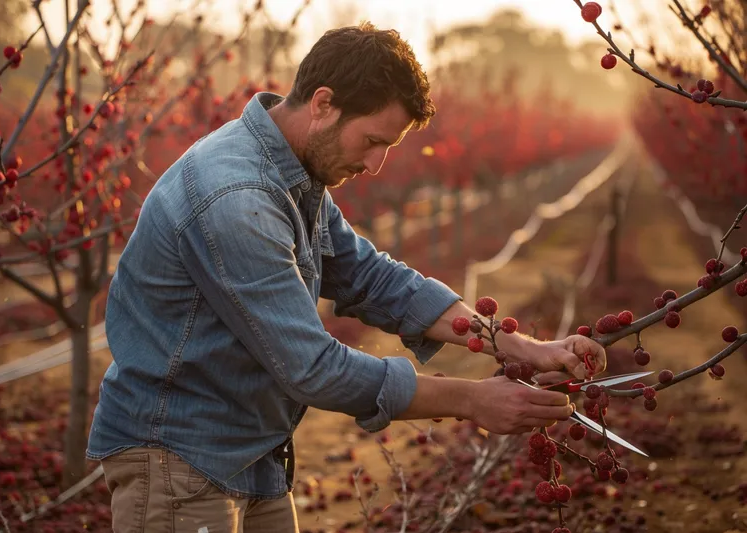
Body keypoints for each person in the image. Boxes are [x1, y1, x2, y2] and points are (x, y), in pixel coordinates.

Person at [86, 21, 606, 533]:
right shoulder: (237, 198)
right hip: (180, 457)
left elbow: (370, 278)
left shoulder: (292, 172)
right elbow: (312, 367)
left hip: (250, 450)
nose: (378, 164)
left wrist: (520, 347)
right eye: (374, 140)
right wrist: (471, 400)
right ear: (323, 103)